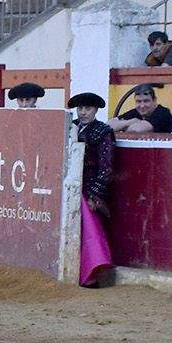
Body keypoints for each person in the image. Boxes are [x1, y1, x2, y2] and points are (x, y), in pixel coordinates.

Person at [68, 92, 117, 288]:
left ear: (95, 110)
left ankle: (91, 277)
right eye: (80, 108)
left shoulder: (102, 132)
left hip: (88, 190)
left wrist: (95, 195)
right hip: (70, 187)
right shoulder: (70, 128)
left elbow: (106, 167)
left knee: (89, 233)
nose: (82, 112)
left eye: (87, 108)